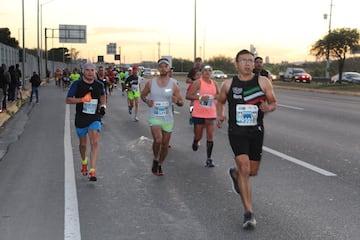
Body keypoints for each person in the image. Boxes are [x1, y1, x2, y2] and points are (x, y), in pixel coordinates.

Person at [216, 49, 277, 229]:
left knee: (252, 171)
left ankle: (235, 174)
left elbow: (273, 102)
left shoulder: (263, 81)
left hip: (256, 130)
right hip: (237, 131)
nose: (248, 64)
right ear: (236, 64)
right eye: (244, 60)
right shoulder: (228, 84)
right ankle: (248, 213)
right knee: (244, 167)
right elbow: (220, 101)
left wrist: (269, 107)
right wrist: (220, 115)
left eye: (250, 60)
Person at [140, 58, 184, 176]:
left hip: (168, 118)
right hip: (154, 116)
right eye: (161, 66)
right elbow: (143, 95)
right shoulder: (151, 83)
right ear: (158, 68)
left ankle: (159, 163)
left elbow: (181, 102)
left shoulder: (174, 85)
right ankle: (155, 158)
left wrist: (177, 101)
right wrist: (147, 100)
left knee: (165, 145)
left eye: (166, 66)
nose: (163, 68)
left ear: (169, 68)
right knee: (158, 140)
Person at [66, 63, 106, 181]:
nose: (90, 72)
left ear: (95, 72)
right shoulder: (77, 84)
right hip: (81, 118)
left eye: (92, 70)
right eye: (87, 70)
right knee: (83, 145)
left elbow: (103, 96)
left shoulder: (99, 84)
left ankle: (92, 170)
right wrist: (82, 100)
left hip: (94, 117)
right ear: (83, 72)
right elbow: (68, 100)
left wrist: (103, 106)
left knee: (94, 142)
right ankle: (84, 161)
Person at [186, 65, 219, 167]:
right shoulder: (198, 82)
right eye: (205, 71)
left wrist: (214, 97)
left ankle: (209, 159)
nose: (208, 72)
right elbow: (188, 96)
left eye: (210, 71)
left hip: (210, 112)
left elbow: (219, 95)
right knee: (199, 134)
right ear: (202, 72)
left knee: (210, 135)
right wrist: (200, 97)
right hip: (199, 112)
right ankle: (196, 140)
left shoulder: (214, 83)